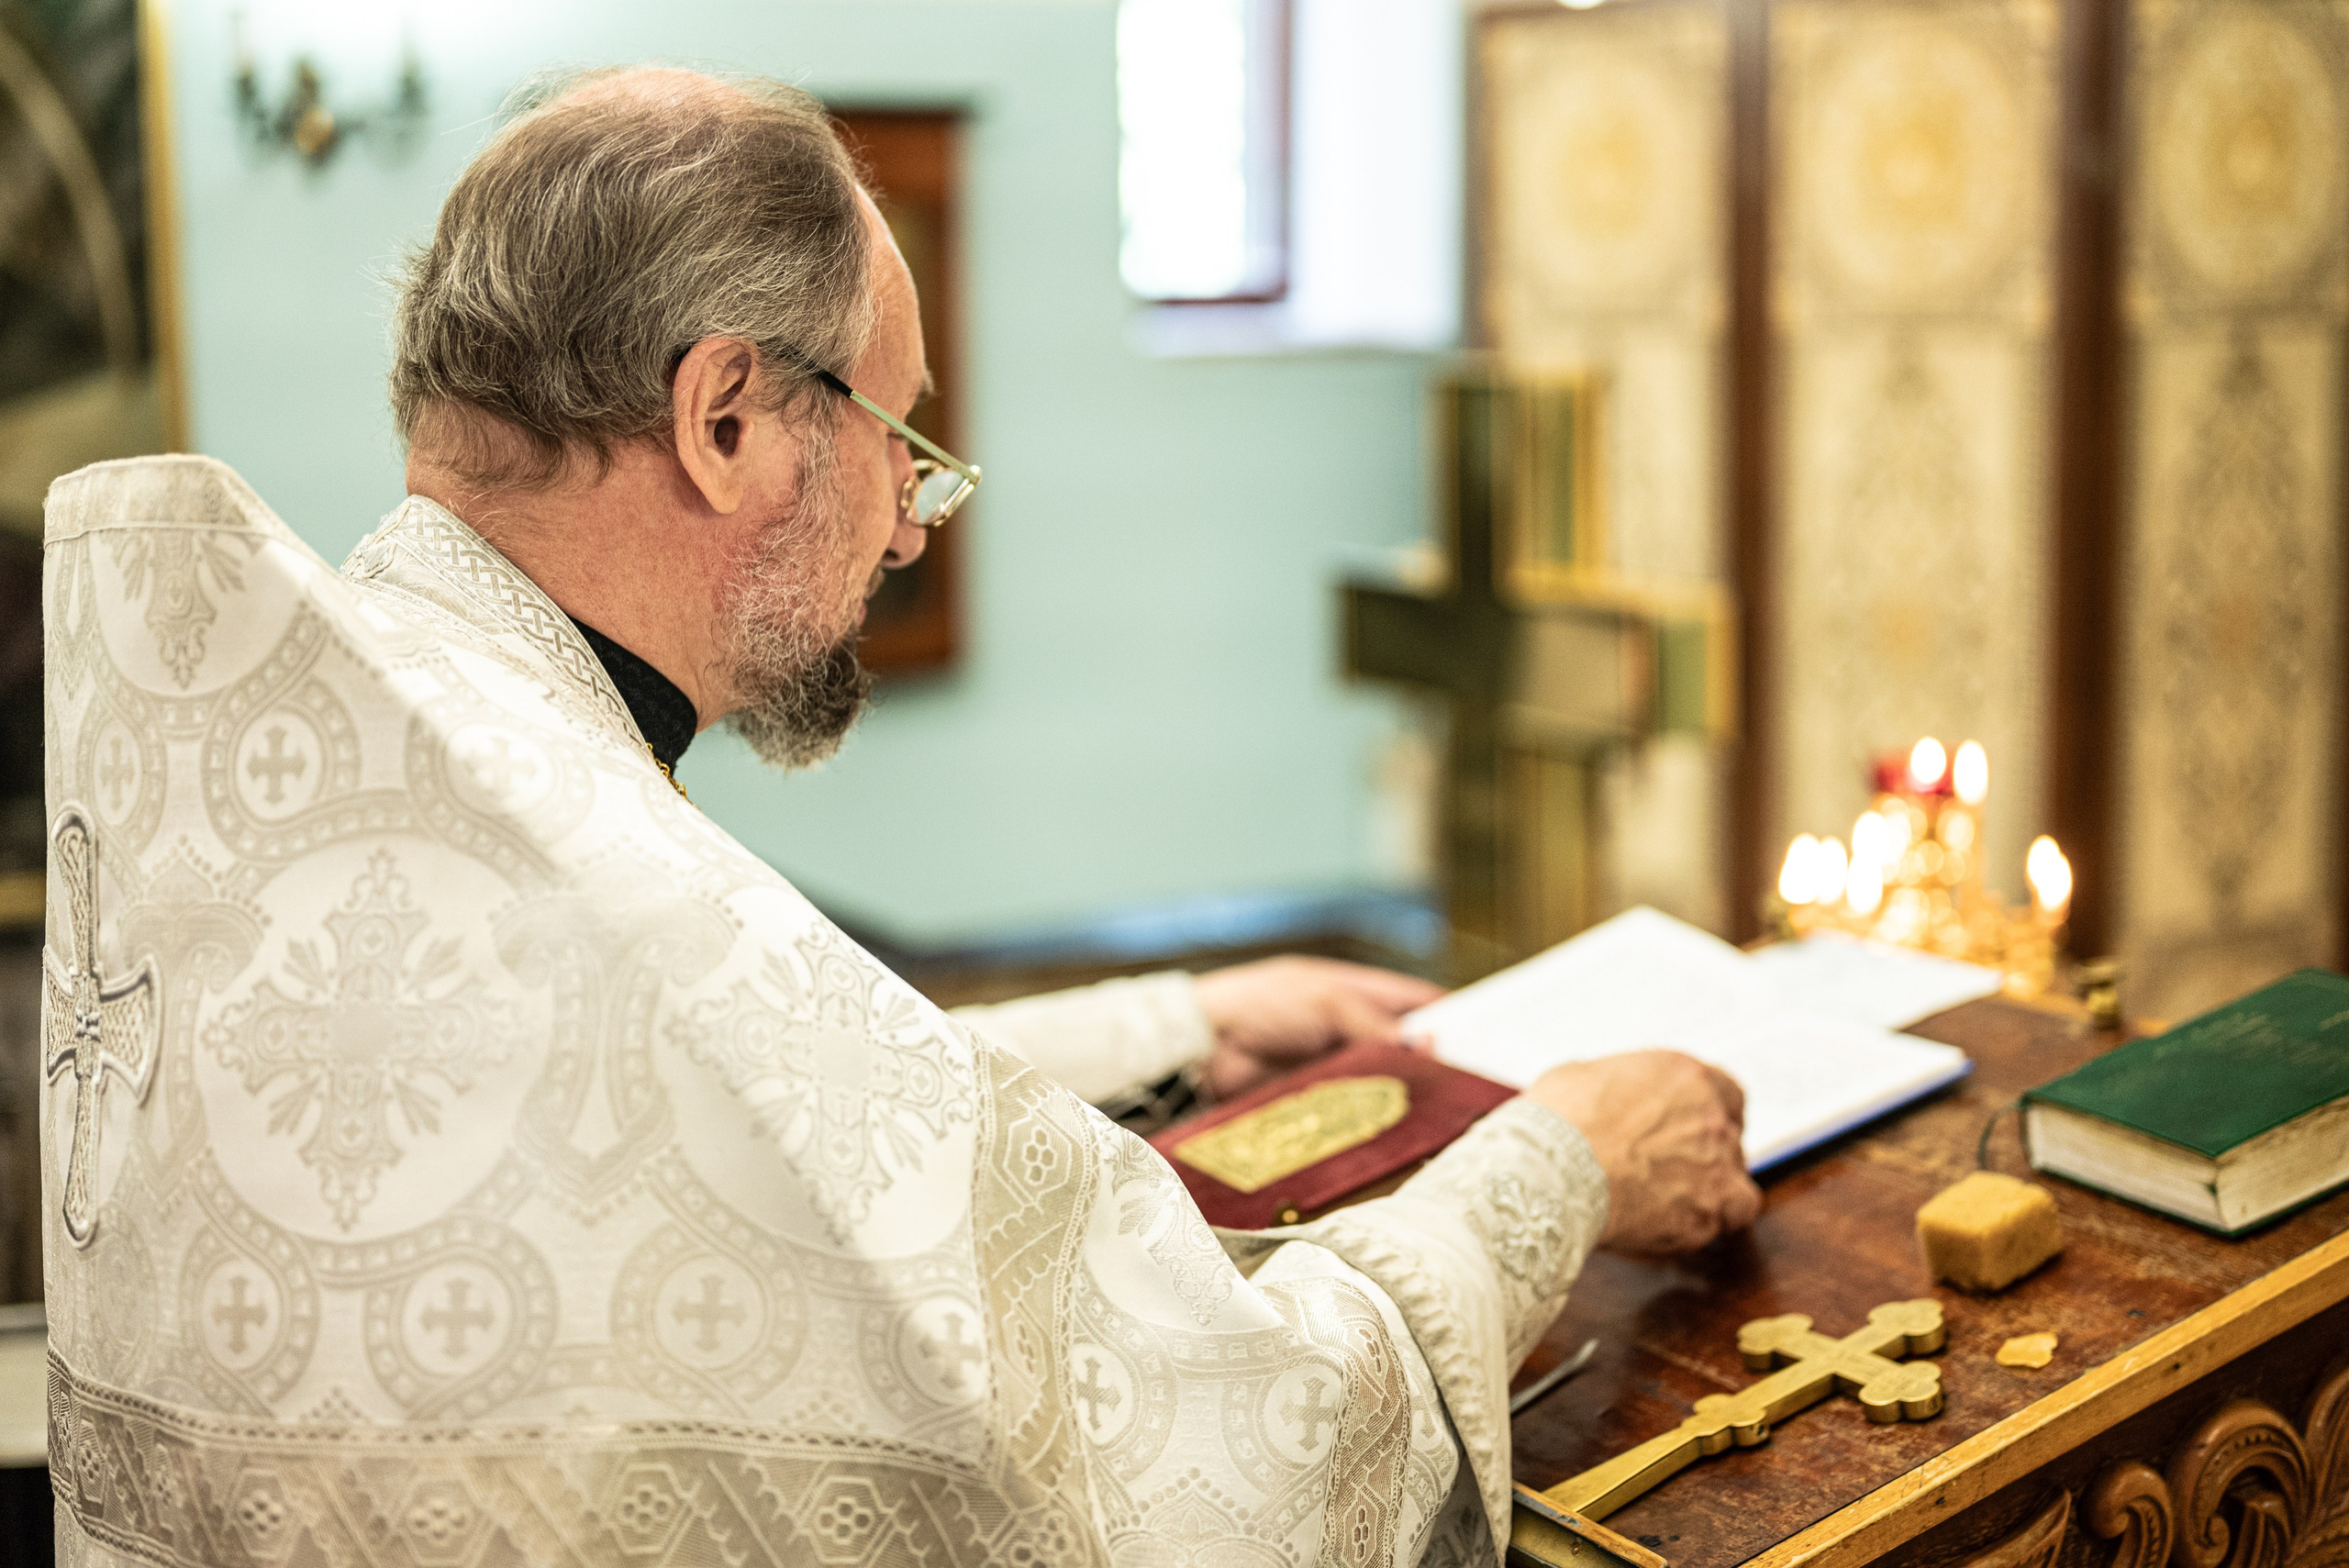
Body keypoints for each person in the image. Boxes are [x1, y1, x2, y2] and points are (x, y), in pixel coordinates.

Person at [41, 68, 1757, 1567]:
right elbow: (1237, 1477)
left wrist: (1170, 1022)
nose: (916, 519)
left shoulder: (330, 762)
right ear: (724, 419)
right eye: (897, 431)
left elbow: (719, 1124)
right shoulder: (600, 871)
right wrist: (1567, 1161)